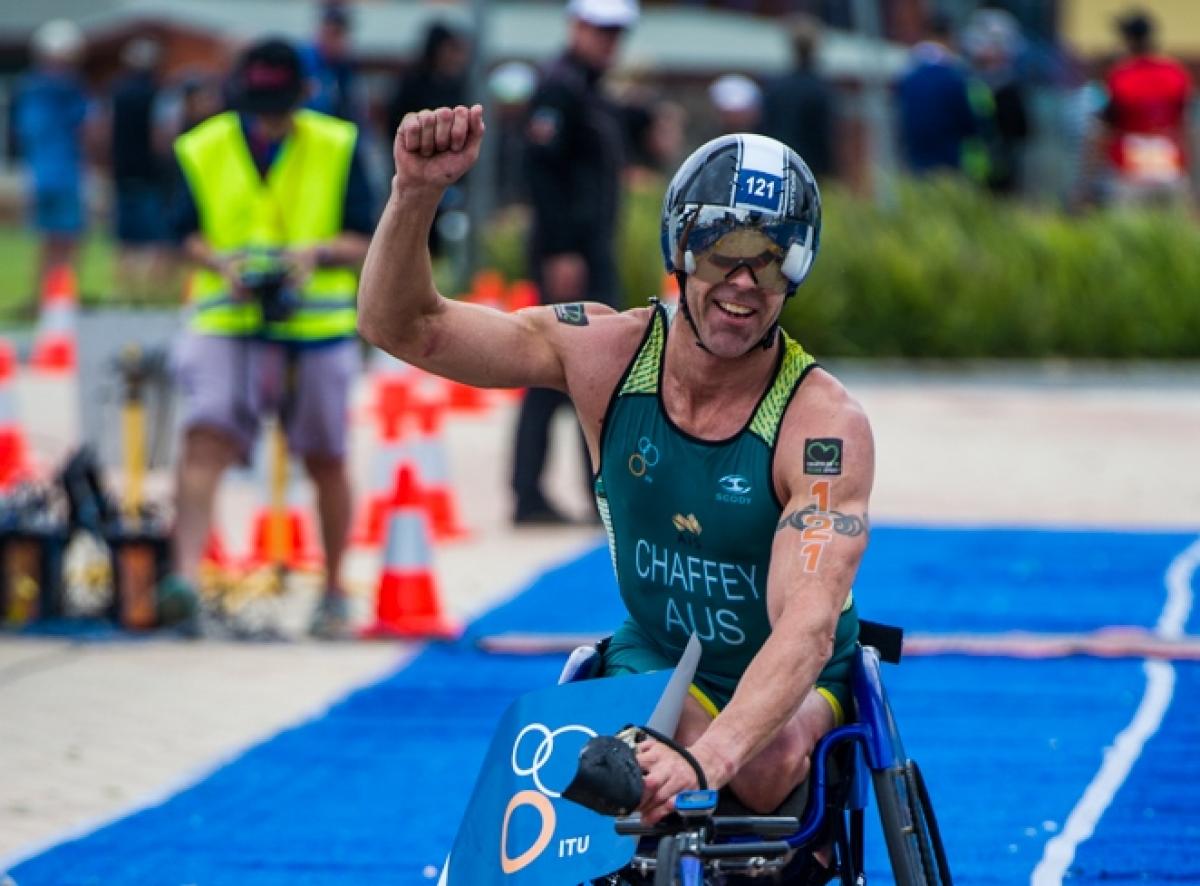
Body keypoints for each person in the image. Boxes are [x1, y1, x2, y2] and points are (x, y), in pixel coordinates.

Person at [359, 106, 870, 883]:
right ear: (679, 247)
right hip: (657, 648)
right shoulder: (603, 352)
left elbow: (802, 631)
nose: (741, 283)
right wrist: (414, 194)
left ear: (795, 270)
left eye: (769, 261)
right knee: (617, 756)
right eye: (721, 251)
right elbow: (404, 325)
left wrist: (703, 762)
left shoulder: (821, 423)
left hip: (783, 674)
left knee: (763, 768)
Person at [162, 38, 374, 637]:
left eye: (279, 105)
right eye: (260, 105)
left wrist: (317, 252)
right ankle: (184, 582)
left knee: (327, 455)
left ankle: (333, 592)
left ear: (306, 94)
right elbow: (181, 230)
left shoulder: (337, 144)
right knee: (204, 436)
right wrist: (222, 264)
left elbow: (370, 233)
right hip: (226, 317)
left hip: (317, 323)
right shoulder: (202, 147)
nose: (269, 117)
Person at [512, 0, 638, 525]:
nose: (608, 41)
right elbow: (540, 171)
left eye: (616, 32)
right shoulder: (559, 86)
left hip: (588, 251)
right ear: (576, 26)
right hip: (570, 256)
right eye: (600, 30)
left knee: (581, 372)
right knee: (561, 371)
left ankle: (577, 495)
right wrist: (562, 250)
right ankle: (534, 494)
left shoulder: (587, 87)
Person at [14, 19, 90, 302]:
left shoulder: (29, 88)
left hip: (39, 174)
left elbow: (24, 132)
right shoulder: (69, 89)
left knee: (47, 241)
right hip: (64, 173)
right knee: (69, 240)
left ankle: (42, 298)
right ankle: (64, 298)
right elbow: (87, 127)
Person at [1094, 9, 1193, 207]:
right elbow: (1185, 125)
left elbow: (1105, 128)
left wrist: (1090, 176)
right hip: (1170, 167)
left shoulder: (1120, 76)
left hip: (1130, 169)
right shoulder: (1175, 73)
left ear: (1128, 40)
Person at [107, 38, 172, 301]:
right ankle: (151, 293)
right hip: (150, 174)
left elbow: (106, 130)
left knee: (125, 240)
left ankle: (123, 291)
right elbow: (161, 135)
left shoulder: (117, 92)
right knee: (156, 237)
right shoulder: (157, 93)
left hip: (122, 172)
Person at [894, 12, 985, 180]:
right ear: (948, 36)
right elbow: (967, 121)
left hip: (916, 154)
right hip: (947, 154)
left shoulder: (909, 72)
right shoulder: (952, 74)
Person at [962, 8, 1030, 196]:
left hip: (988, 162)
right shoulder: (1006, 85)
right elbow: (1022, 130)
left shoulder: (968, 81)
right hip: (988, 163)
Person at [760, 14, 835, 180]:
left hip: (776, 167)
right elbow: (824, 140)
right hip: (811, 171)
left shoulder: (776, 88)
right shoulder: (820, 89)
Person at [300, 2, 359, 122]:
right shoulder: (303, 63)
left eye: (339, 34)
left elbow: (352, 112)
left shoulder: (344, 67)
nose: (334, 41)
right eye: (329, 33)